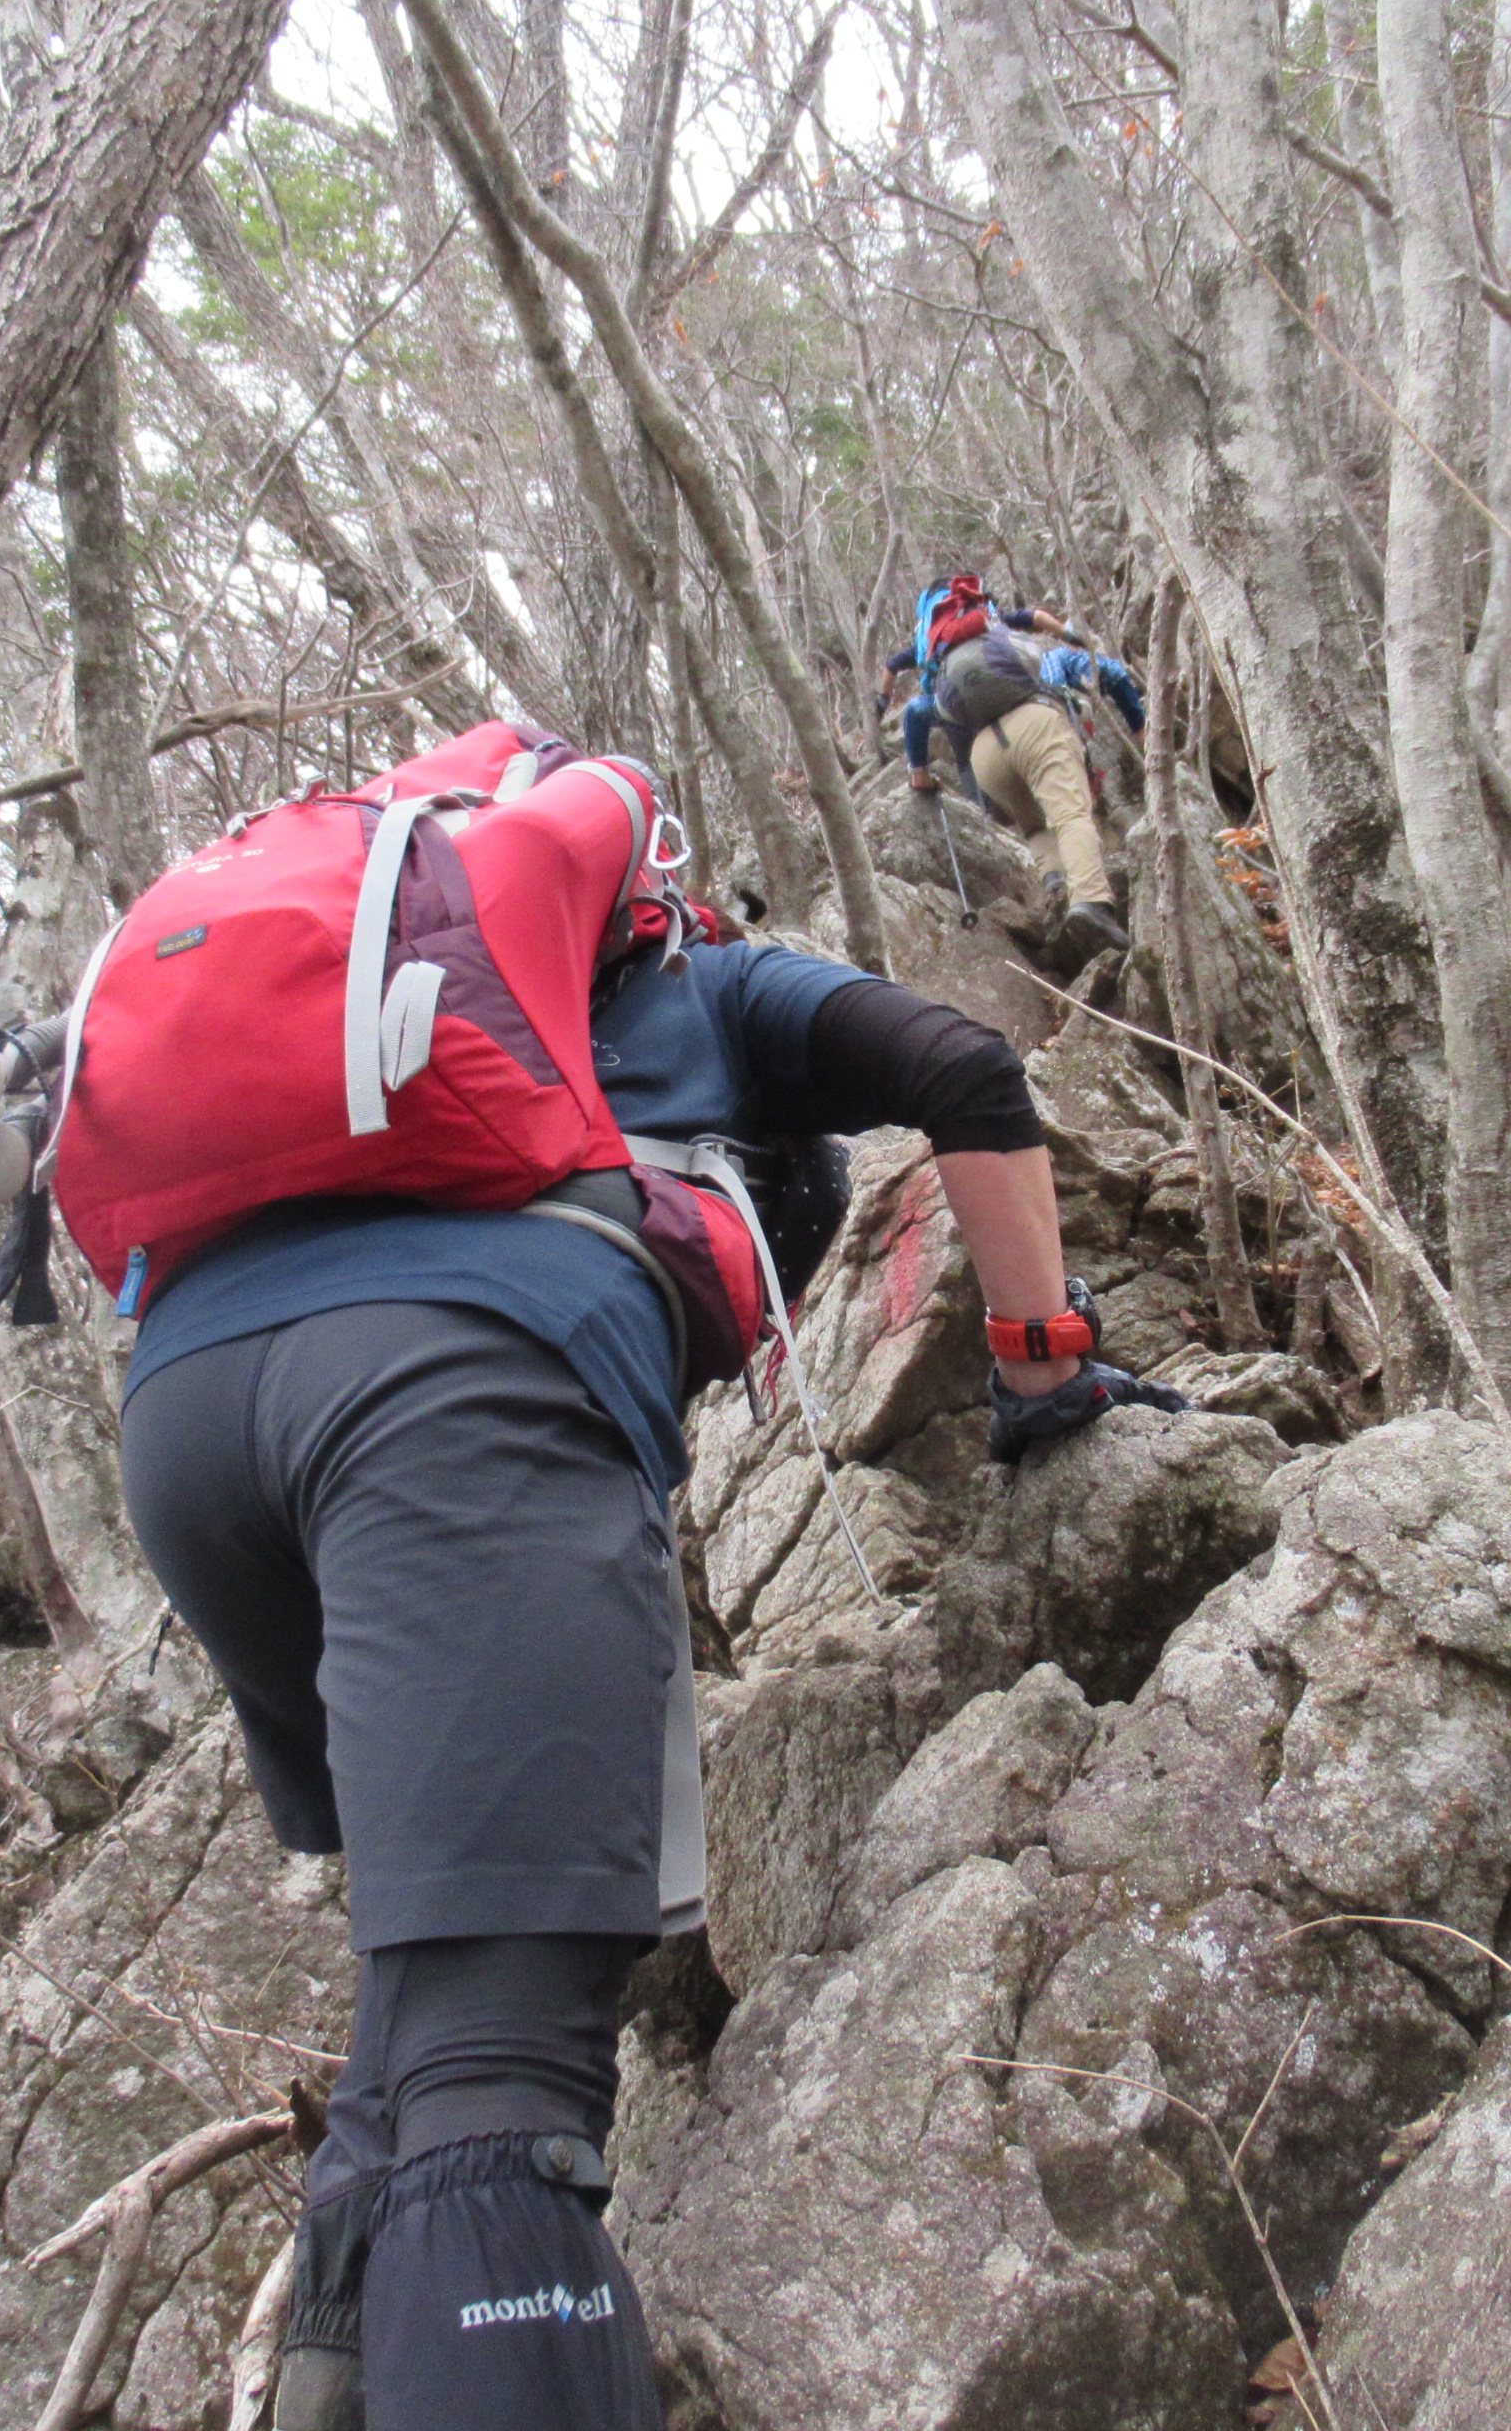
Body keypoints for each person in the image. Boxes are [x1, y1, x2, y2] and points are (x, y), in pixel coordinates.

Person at [115, 885, 1184, 2431]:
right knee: (505, 2084)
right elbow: (966, 1068)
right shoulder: (720, 990)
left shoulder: (400, 1029)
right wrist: (1037, 1365)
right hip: (444, 1384)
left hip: (187, 1421)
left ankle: (336, 2377)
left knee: (429, 1987)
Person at [887, 575, 1140, 961]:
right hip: (1037, 725)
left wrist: (919, 772)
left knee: (1036, 827)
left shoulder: (945, 671)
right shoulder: (1032, 652)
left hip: (986, 755)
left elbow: (916, 711)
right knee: (1071, 816)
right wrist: (1141, 733)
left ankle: (1056, 891)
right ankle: (1090, 902)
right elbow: (1114, 675)